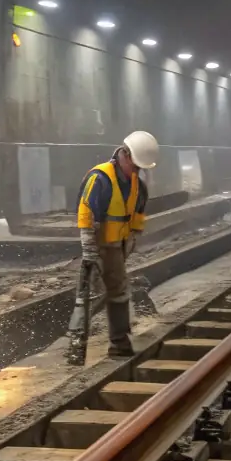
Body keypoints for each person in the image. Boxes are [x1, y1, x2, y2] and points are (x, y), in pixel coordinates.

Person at [67, 131, 158, 361]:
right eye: (136, 166)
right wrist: (89, 252)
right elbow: (87, 218)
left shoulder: (137, 184)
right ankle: (76, 350)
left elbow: (136, 215)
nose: (138, 171)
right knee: (86, 296)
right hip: (98, 246)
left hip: (116, 247)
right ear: (125, 155)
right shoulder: (100, 178)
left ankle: (119, 343)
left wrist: (131, 241)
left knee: (118, 292)